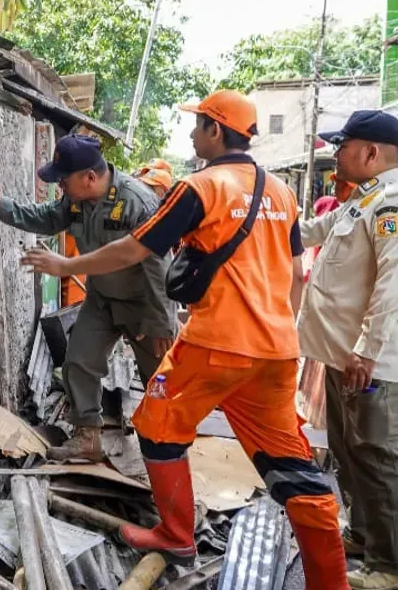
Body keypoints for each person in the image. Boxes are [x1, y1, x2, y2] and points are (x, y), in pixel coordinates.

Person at [22, 89, 347, 589]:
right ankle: (331, 582)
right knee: (293, 468)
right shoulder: (280, 191)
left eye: (197, 125)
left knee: (155, 423)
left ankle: (176, 533)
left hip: (216, 342)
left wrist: (67, 265)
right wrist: (282, 329)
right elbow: (297, 273)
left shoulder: (202, 187)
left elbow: (134, 249)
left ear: (216, 130)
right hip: (278, 350)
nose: (192, 134)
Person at [0, 134, 176, 462]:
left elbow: (161, 270)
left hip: (143, 304)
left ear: (89, 177)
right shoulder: (76, 201)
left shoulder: (137, 202)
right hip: (102, 298)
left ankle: (168, 446)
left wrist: (162, 324)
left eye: (63, 179)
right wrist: (3, 208)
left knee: (159, 377)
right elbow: (47, 216)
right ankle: (88, 437)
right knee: (78, 361)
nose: (60, 186)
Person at [298, 109, 398, 590]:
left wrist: (365, 349)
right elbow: (308, 233)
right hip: (343, 359)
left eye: (342, 146)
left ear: (371, 153)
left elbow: (393, 283)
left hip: (373, 364)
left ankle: (390, 565)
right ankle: (362, 536)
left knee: (377, 458)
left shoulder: (392, 202)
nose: (335, 155)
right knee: (348, 451)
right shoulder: (363, 198)